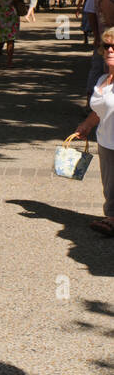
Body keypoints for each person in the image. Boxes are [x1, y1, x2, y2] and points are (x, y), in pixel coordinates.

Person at [76, 27, 114, 236]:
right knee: (109, 185)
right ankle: (111, 216)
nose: (109, 50)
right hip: (106, 140)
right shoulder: (102, 81)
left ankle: (111, 219)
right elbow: (100, 110)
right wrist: (87, 125)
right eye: (106, 46)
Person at [84, 0, 114, 98]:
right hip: (107, 38)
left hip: (105, 37)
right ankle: (94, 102)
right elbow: (108, 19)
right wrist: (96, 36)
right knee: (101, 69)